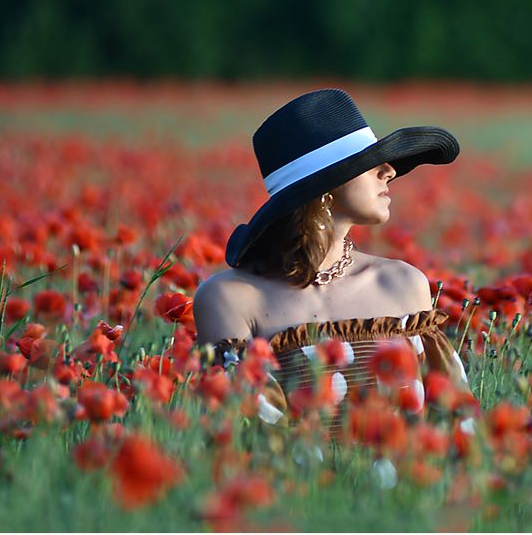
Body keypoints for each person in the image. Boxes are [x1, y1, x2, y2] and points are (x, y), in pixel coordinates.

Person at [193, 88, 471, 431]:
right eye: (370, 164)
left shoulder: (403, 284)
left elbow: (450, 425)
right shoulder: (230, 299)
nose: (389, 171)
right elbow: (245, 437)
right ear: (325, 187)